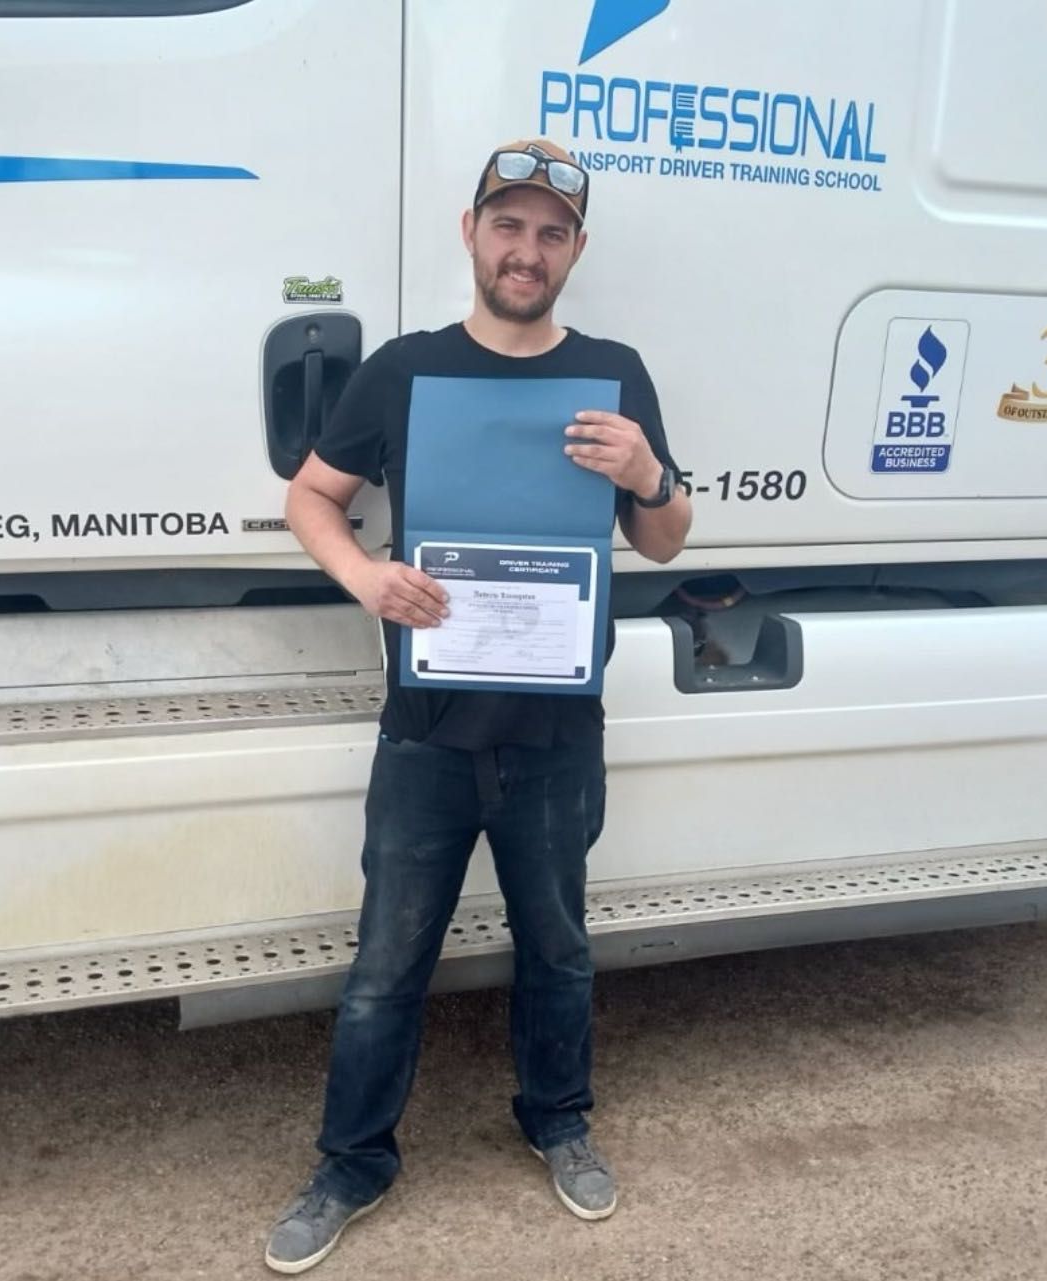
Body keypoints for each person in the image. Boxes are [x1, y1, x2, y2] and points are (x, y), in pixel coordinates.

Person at [266, 138, 692, 1275]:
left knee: (558, 950)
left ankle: (558, 1121)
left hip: (557, 736)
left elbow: (661, 539)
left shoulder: (614, 372)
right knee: (385, 964)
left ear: (576, 252)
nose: (527, 249)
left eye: (552, 232)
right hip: (427, 737)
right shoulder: (405, 369)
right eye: (509, 225)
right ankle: (353, 1161)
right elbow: (312, 496)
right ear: (472, 233)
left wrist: (650, 476)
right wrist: (365, 578)